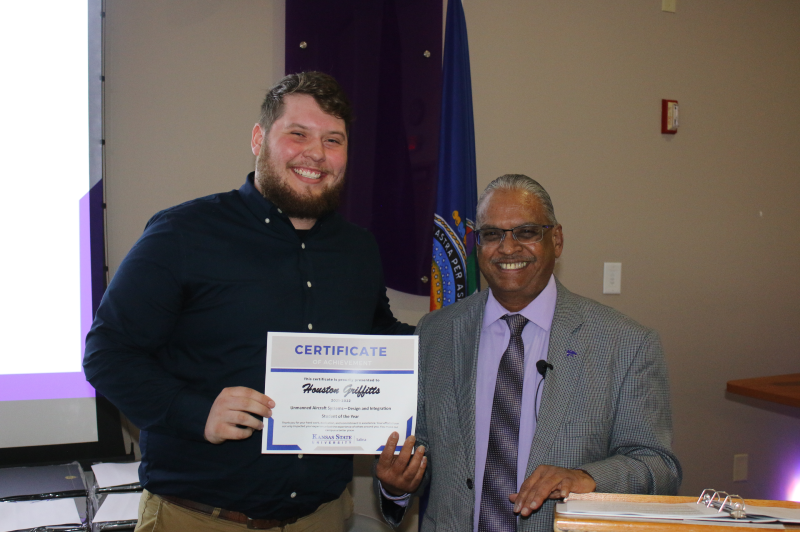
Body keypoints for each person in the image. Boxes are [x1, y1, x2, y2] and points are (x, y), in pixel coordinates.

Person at [84, 71, 414, 532]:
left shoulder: (359, 249)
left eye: (333, 140)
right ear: (259, 138)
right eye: (297, 134)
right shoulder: (182, 234)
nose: (316, 153)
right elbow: (107, 355)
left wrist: (466, 331)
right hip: (196, 518)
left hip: (321, 518)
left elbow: (378, 336)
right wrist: (195, 411)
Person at [374, 174, 681, 531]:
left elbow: (658, 466)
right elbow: (422, 450)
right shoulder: (436, 332)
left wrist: (587, 477)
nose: (507, 248)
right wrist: (397, 485)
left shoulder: (626, 343)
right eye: (492, 234)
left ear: (557, 239)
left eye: (526, 232)